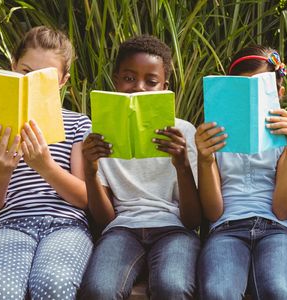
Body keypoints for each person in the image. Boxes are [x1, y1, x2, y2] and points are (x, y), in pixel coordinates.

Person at [0, 26, 92, 300]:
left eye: (44, 77)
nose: (32, 80)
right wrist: (2, 170)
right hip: (9, 225)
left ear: (62, 80)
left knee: (54, 284)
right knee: (0, 289)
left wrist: (46, 166)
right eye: (25, 71)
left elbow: (85, 198)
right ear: (13, 67)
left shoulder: (78, 124)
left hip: (66, 226)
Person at [78, 35, 200, 300]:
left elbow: (192, 220)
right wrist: (90, 170)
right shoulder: (98, 133)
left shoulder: (183, 132)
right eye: (129, 78)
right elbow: (105, 219)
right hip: (122, 230)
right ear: (116, 80)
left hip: (174, 230)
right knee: (99, 289)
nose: (139, 87)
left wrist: (182, 166)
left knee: (173, 286)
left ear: (165, 87)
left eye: (151, 81)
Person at [196, 45, 287, 299]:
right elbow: (213, 212)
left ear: (279, 93)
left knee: (277, 291)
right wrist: (205, 159)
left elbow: (283, 210)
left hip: (278, 228)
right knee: (218, 292)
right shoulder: (214, 137)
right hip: (226, 228)